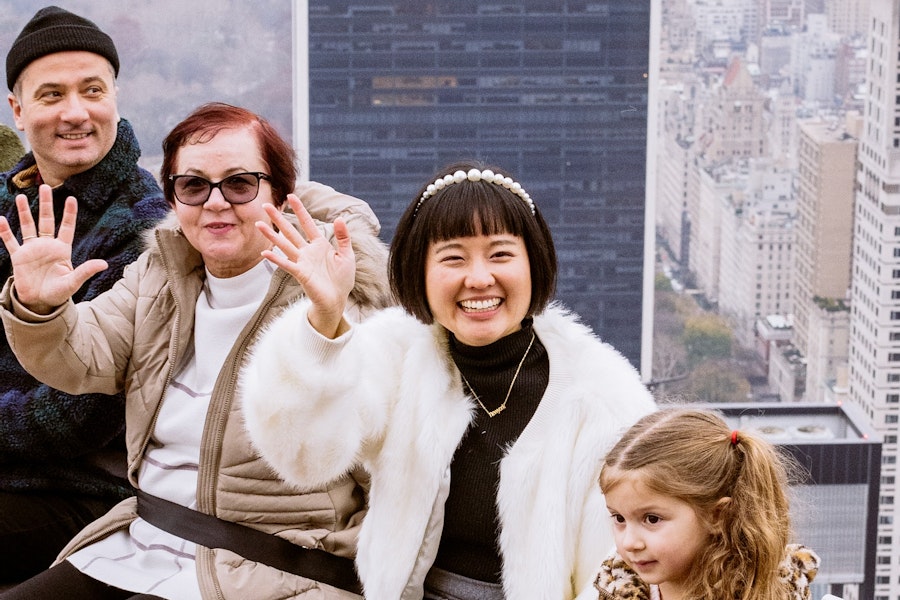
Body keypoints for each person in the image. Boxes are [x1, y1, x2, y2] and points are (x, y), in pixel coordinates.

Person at [0, 102, 391, 599]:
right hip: (144, 539)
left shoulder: (336, 291)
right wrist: (41, 308)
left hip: (267, 565)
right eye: (193, 186)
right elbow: (81, 357)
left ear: (278, 193)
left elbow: (385, 460)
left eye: (240, 184)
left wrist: (329, 321)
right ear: (173, 197)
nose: (216, 203)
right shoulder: (160, 277)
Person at [239, 159, 658, 599]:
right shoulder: (397, 352)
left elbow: (621, 569)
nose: (478, 279)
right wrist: (323, 319)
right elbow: (303, 455)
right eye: (453, 258)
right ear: (419, 271)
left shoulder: (606, 397)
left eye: (500, 255)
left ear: (535, 264)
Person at [0, 5, 170, 584]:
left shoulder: (147, 228)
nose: (75, 112)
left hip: (83, 493)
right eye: (51, 95)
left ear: (115, 97)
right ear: (18, 111)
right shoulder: (7, 204)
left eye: (92, 90)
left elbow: (79, 417)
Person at [587, 408, 821, 600]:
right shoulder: (617, 584)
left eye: (652, 519)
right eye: (619, 518)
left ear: (717, 515)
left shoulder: (769, 592)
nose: (629, 543)